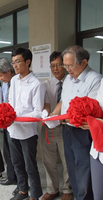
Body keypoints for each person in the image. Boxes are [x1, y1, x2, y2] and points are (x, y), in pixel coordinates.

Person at [52, 45, 102, 200]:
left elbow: (90, 112)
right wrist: (53, 114)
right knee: (72, 169)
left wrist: (65, 118)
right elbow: (63, 101)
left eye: (70, 65)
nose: (66, 69)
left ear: (84, 62)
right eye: (64, 65)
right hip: (67, 130)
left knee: (84, 173)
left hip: (83, 133)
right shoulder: (68, 78)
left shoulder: (95, 80)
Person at [7, 48, 45, 200]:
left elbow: (37, 112)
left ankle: (35, 195)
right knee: (17, 163)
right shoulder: (14, 80)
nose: (14, 65)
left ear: (28, 62)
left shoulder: (37, 84)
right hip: (12, 130)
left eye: (18, 62)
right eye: (13, 62)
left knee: (30, 166)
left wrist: (15, 117)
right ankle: (23, 190)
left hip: (28, 132)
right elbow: (10, 103)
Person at [41, 52, 72, 200]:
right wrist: (46, 114)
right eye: (53, 66)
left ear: (64, 65)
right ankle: (52, 189)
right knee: (48, 160)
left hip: (66, 126)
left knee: (67, 160)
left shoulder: (71, 82)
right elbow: (46, 104)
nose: (56, 69)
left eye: (59, 65)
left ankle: (67, 189)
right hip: (49, 126)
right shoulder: (46, 84)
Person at [0, 58, 17, 186]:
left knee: (15, 153)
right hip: (5, 122)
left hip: (16, 123)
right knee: (7, 150)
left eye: (1, 75)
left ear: (8, 71)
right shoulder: (5, 83)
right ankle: (11, 176)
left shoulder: (17, 83)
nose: (0, 78)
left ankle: (18, 179)